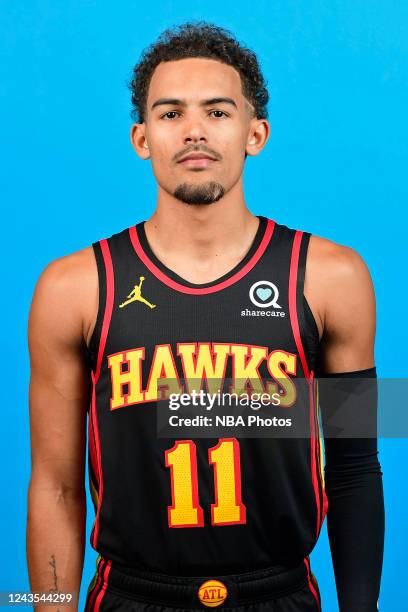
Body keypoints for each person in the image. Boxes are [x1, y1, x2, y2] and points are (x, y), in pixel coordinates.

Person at [26, 21, 384, 612]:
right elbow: (56, 485)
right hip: (129, 596)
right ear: (141, 138)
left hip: (281, 594)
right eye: (170, 114)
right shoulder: (70, 287)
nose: (194, 131)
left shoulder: (335, 277)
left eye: (218, 112)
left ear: (256, 133)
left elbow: (356, 469)